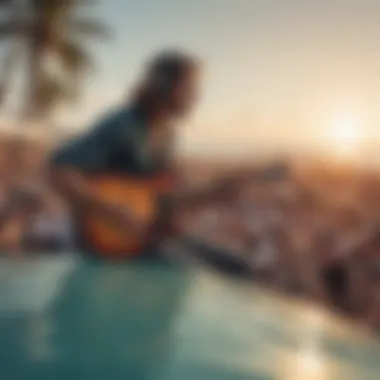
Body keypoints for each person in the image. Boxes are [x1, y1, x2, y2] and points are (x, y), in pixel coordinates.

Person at [49, 50, 200, 256]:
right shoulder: (123, 124)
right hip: (98, 248)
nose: (196, 96)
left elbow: (159, 197)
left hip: (138, 244)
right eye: (190, 87)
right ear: (165, 86)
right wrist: (109, 211)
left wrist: (170, 218)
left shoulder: (168, 136)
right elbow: (61, 173)